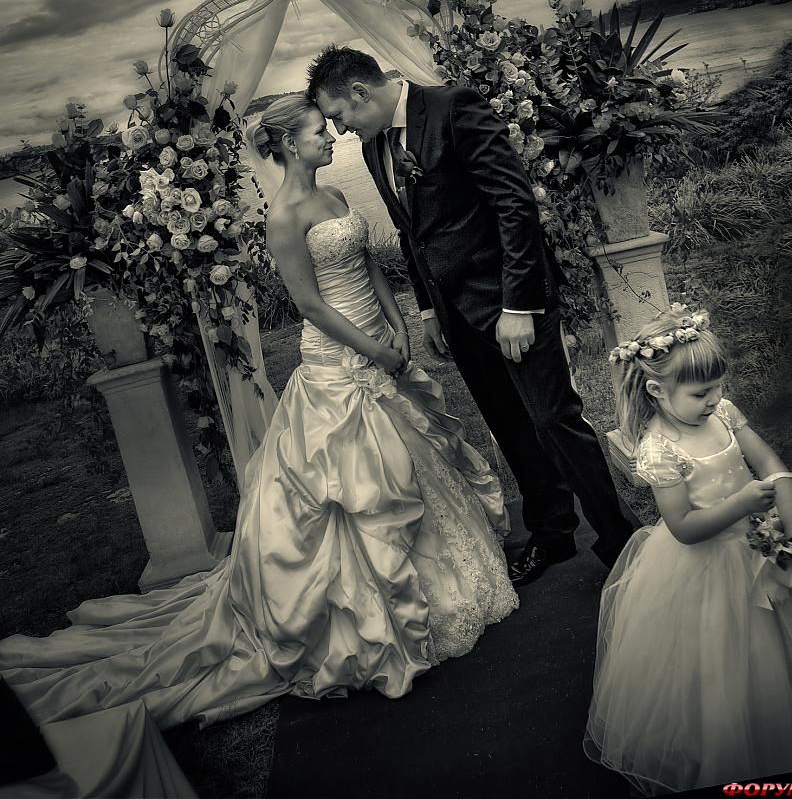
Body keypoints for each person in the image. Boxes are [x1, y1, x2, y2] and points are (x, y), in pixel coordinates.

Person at [0, 93, 518, 731]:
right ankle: (374, 619)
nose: (331, 137)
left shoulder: (336, 196)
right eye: (319, 131)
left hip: (379, 339)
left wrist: (398, 320)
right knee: (361, 489)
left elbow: (369, 267)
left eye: (328, 128)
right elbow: (310, 305)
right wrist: (373, 350)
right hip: (337, 361)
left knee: (412, 464)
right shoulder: (283, 217)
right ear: (289, 144)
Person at [306, 46, 637, 586]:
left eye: (339, 116)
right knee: (510, 426)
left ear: (361, 92)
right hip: (456, 316)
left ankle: (621, 544)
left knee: (554, 420)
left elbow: (514, 204)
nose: (340, 130)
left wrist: (518, 306)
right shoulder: (374, 147)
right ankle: (552, 533)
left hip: (510, 304)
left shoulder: (453, 107)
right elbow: (412, 232)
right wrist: (428, 308)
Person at [583, 304, 792, 795]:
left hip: (761, 543)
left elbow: (771, 465)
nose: (715, 400)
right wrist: (740, 502)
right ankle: (737, 748)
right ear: (656, 390)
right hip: (707, 563)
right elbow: (683, 527)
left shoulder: (724, 412)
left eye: (718, 388)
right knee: (731, 662)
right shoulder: (659, 449)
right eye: (701, 393)